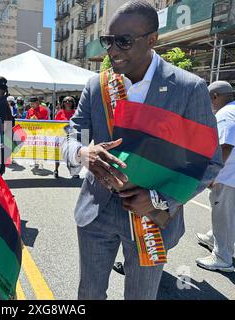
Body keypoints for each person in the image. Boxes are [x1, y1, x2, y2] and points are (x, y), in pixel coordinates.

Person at [62, 1, 222, 300]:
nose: (112, 50)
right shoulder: (97, 86)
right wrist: (82, 153)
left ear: (152, 40)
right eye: (108, 40)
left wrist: (160, 200)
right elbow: (72, 134)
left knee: (141, 296)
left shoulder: (188, 88)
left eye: (123, 41)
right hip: (96, 211)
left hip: (152, 215)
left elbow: (209, 162)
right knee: (89, 293)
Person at [196, 81, 235, 272]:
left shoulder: (225, 114)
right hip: (232, 176)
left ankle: (222, 258)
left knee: (222, 214)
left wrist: (213, 174)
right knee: (228, 215)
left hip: (227, 176)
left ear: (214, 97)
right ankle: (216, 238)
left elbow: (225, 146)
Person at [54, 96, 76, 178]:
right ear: (63, 103)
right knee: (58, 154)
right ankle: (56, 170)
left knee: (72, 155)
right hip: (61, 136)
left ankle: (74, 172)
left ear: (72, 103)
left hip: (72, 137)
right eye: (65, 101)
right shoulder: (60, 112)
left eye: (69, 101)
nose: (67, 102)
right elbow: (55, 124)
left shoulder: (76, 112)